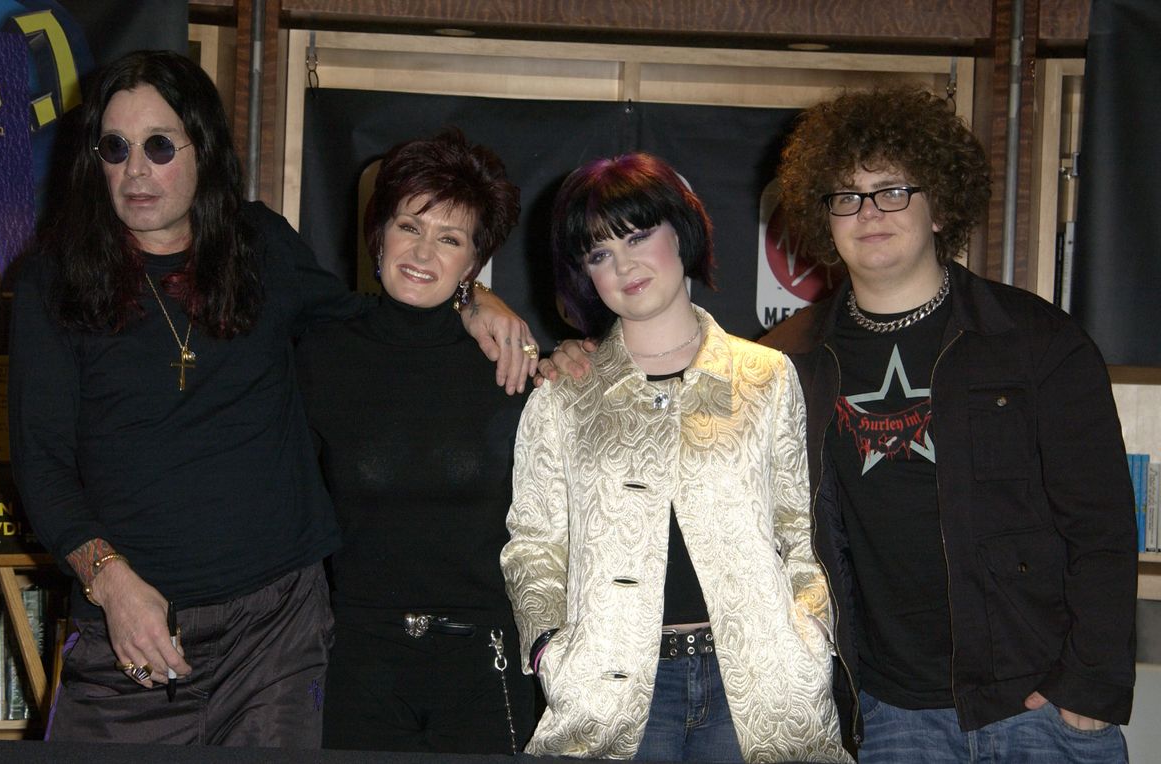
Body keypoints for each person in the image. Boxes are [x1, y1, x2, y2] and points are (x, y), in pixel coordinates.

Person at [7, 50, 537, 747]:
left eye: (160, 146)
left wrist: (475, 295)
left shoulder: (259, 245)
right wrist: (111, 583)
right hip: (132, 630)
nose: (136, 169)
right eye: (115, 147)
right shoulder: (51, 281)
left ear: (204, 148)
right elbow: (40, 462)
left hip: (275, 636)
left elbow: (375, 317)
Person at [759, 87, 1136, 762]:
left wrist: (1087, 688)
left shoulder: (1035, 341)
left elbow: (1103, 528)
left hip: (1037, 705)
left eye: (893, 190)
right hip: (886, 710)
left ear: (939, 205)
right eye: (846, 195)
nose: (869, 211)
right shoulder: (787, 361)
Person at [502, 153, 851, 763]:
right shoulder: (563, 395)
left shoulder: (765, 377)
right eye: (599, 253)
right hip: (609, 698)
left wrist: (810, 635)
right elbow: (534, 545)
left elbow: (801, 530)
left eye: (638, 236)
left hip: (758, 688)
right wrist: (549, 648)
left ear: (681, 233)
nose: (625, 264)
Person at [297, 130, 536, 753]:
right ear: (379, 233)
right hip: (356, 658)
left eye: (450, 238)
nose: (423, 251)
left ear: (474, 262)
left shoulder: (508, 363)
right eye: (409, 226)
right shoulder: (320, 350)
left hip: (484, 659)